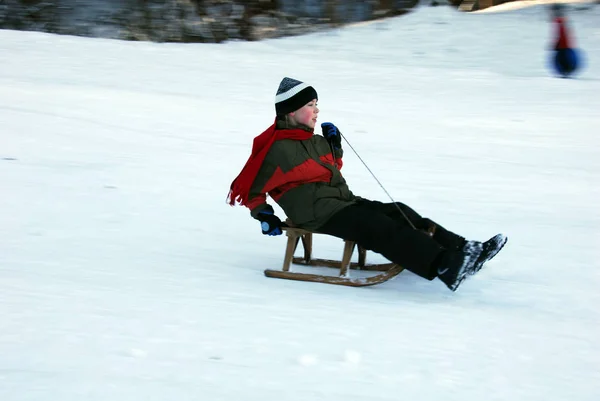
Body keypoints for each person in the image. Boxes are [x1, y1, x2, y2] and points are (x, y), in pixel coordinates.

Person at [227, 77, 507, 292]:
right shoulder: (276, 150)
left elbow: (331, 169)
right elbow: (252, 188)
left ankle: (465, 249)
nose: (317, 110)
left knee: (399, 211)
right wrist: (264, 215)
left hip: (340, 201)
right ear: (291, 111)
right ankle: (445, 266)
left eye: (316, 104)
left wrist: (334, 145)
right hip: (315, 212)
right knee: (377, 227)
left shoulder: (314, 141)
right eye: (310, 105)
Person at [549, 3, 579, 77]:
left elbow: (562, 35)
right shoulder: (561, 21)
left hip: (564, 46)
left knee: (563, 59)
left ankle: (565, 71)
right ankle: (565, 71)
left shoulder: (560, 21)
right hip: (565, 45)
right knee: (564, 59)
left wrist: (557, 44)